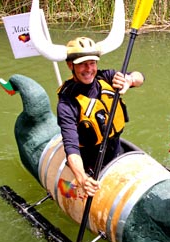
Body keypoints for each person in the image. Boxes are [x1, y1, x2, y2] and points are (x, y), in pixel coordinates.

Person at [57, 37, 144, 197]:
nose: (88, 69)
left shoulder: (106, 77)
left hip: (116, 152)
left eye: (92, 63)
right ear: (71, 65)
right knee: (73, 190)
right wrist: (82, 178)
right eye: (82, 63)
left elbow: (140, 77)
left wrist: (129, 80)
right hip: (90, 164)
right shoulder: (67, 103)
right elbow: (71, 147)